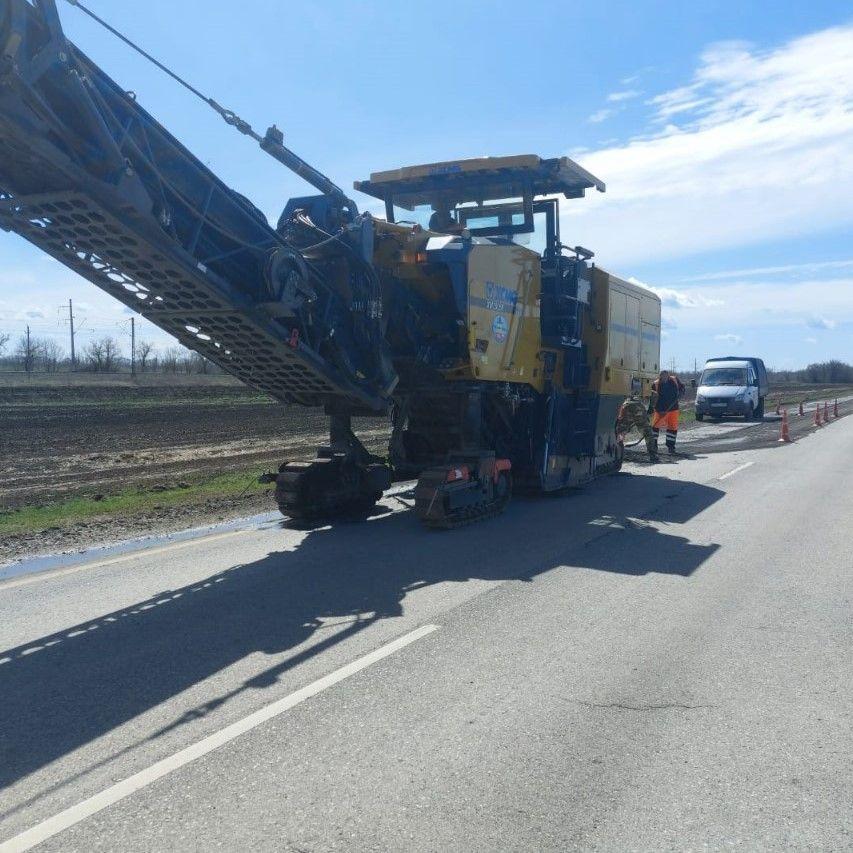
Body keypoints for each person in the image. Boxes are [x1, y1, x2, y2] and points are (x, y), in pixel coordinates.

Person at [650, 370, 686, 454]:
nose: (664, 378)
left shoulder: (674, 380)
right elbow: (652, 399)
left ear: (668, 375)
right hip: (660, 410)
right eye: (662, 376)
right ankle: (653, 446)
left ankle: (671, 447)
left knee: (672, 428)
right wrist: (658, 409)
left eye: (666, 376)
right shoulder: (655, 384)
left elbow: (682, 388)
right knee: (655, 428)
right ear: (660, 376)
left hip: (673, 409)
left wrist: (681, 392)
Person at [617, 392, 658, 462]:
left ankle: (618, 454)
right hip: (638, 407)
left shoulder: (625, 385)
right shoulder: (643, 386)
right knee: (647, 432)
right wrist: (651, 407)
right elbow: (655, 394)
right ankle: (653, 455)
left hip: (625, 406)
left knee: (621, 431)